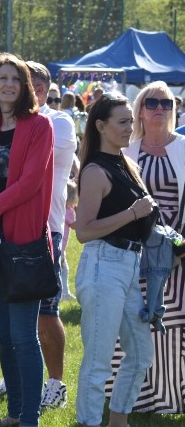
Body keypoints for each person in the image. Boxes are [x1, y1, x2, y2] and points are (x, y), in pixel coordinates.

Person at [0, 53, 54, 427]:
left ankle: (30, 417)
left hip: (25, 245)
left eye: (15, 79)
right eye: (2, 78)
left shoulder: (40, 128)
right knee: (1, 334)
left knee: (22, 336)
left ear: (25, 88)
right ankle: (16, 412)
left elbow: (30, 184)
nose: (8, 85)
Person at [72, 91, 156, 427]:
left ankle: (117, 420)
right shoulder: (94, 170)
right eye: (122, 122)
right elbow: (84, 231)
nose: (129, 127)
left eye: (130, 121)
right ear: (101, 126)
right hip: (102, 266)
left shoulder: (127, 164)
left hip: (129, 267)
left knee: (140, 356)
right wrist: (133, 212)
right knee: (98, 363)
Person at [103, 81, 185, 414]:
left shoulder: (184, 148)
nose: (160, 108)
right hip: (135, 250)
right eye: (152, 102)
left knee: (174, 322)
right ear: (140, 109)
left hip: (178, 252)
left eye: (167, 103)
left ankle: (171, 399)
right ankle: (134, 398)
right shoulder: (126, 152)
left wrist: (180, 247)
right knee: (136, 322)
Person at [27, 61, 77, 410]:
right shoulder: (0, 122)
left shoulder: (59, 121)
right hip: (8, 226)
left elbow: (39, 158)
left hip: (48, 227)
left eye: (28, 85)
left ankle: (56, 384)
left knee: (47, 309)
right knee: (15, 311)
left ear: (43, 90)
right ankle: (19, 375)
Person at [61, 179, 78, 300]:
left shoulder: (59, 208)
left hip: (58, 245)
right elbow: (75, 225)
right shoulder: (69, 211)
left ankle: (62, 292)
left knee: (60, 269)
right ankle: (64, 293)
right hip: (61, 247)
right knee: (64, 269)